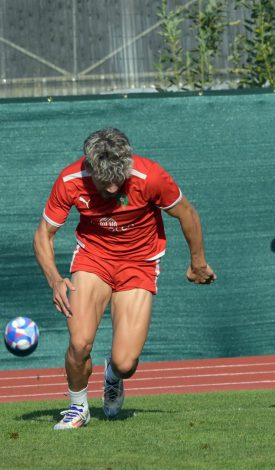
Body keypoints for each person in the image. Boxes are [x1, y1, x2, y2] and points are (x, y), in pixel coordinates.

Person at [33, 128, 216, 429]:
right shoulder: (70, 181)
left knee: (125, 363)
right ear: (90, 168)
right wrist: (55, 280)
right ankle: (78, 407)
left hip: (139, 264)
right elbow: (44, 234)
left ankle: (113, 376)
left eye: (120, 176)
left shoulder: (150, 176)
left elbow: (187, 214)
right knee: (79, 343)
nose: (116, 184)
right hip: (94, 260)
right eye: (107, 180)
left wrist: (198, 262)